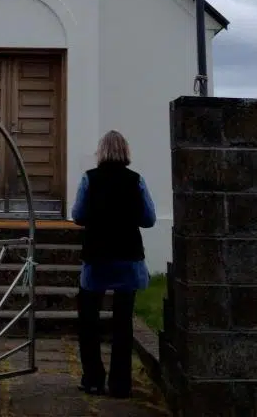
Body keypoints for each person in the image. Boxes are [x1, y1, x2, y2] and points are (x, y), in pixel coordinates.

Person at [70, 130, 156, 399]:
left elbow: (78, 216)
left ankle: (93, 378)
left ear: (101, 152)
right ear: (125, 151)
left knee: (89, 320)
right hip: (127, 257)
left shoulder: (89, 178)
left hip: (97, 256)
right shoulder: (136, 180)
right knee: (123, 323)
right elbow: (149, 219)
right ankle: (120, 384)